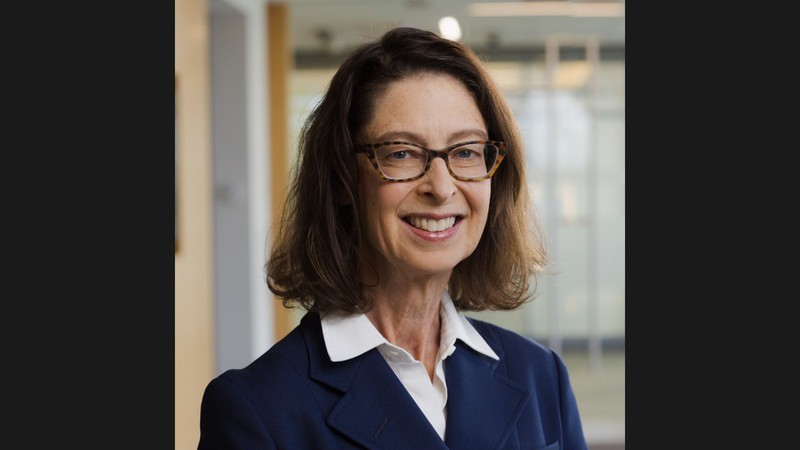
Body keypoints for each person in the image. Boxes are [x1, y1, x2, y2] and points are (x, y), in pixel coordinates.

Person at [198, 26, 588, 450]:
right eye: (401, 153)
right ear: (343, 179)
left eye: (466, 152)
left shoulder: (539, 375)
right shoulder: (257, 409)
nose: (441, 187)